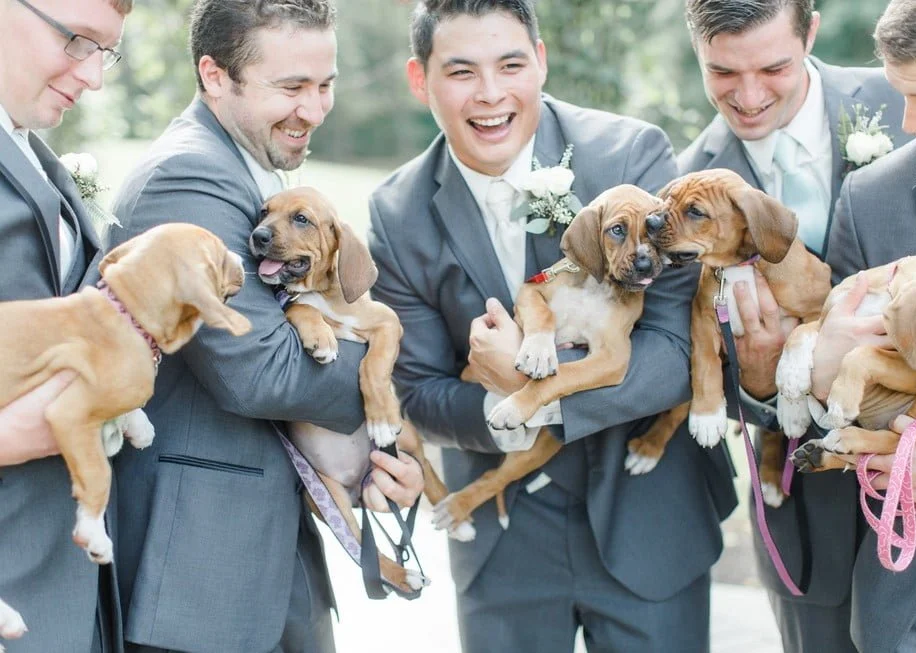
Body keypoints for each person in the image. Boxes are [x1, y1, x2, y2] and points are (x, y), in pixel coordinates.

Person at [367, 1, 737, 651]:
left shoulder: (633, 154)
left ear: (540, 62)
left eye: (510, 64)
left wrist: (538, 391)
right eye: (460, 71)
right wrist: (506, 405)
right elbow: (419, 393)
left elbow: (677, 344)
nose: (490, 94)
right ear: (420, 79)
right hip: (502, 538)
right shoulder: (397, 211)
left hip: (648, 519)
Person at [106, 1, 423, 651]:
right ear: (216, 76)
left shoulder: (249, 174)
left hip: (263, 547)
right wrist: (393, 390)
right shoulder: (189, 176)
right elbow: (262, 370)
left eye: (325, 85)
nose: (314, 109)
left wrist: (373, 454)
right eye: (291, 88)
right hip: (202, 573)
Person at [679, 1, 913, 650]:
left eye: (774, 66)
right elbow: (686, 351)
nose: (749, 97)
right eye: (722, 71)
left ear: (810, 31)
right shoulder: (685, 182)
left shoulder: (909, 104)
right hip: (806, 508)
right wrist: (753, 383)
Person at [809, 0, 916, 649]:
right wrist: (821, 367)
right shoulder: (871, 197)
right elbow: (836, 397)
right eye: (902, 95)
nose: (910, 122)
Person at [0, 0, 131, 651]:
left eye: (104, 51)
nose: (93, 76)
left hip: (72, 591)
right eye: (78, 40)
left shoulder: (36, 154)